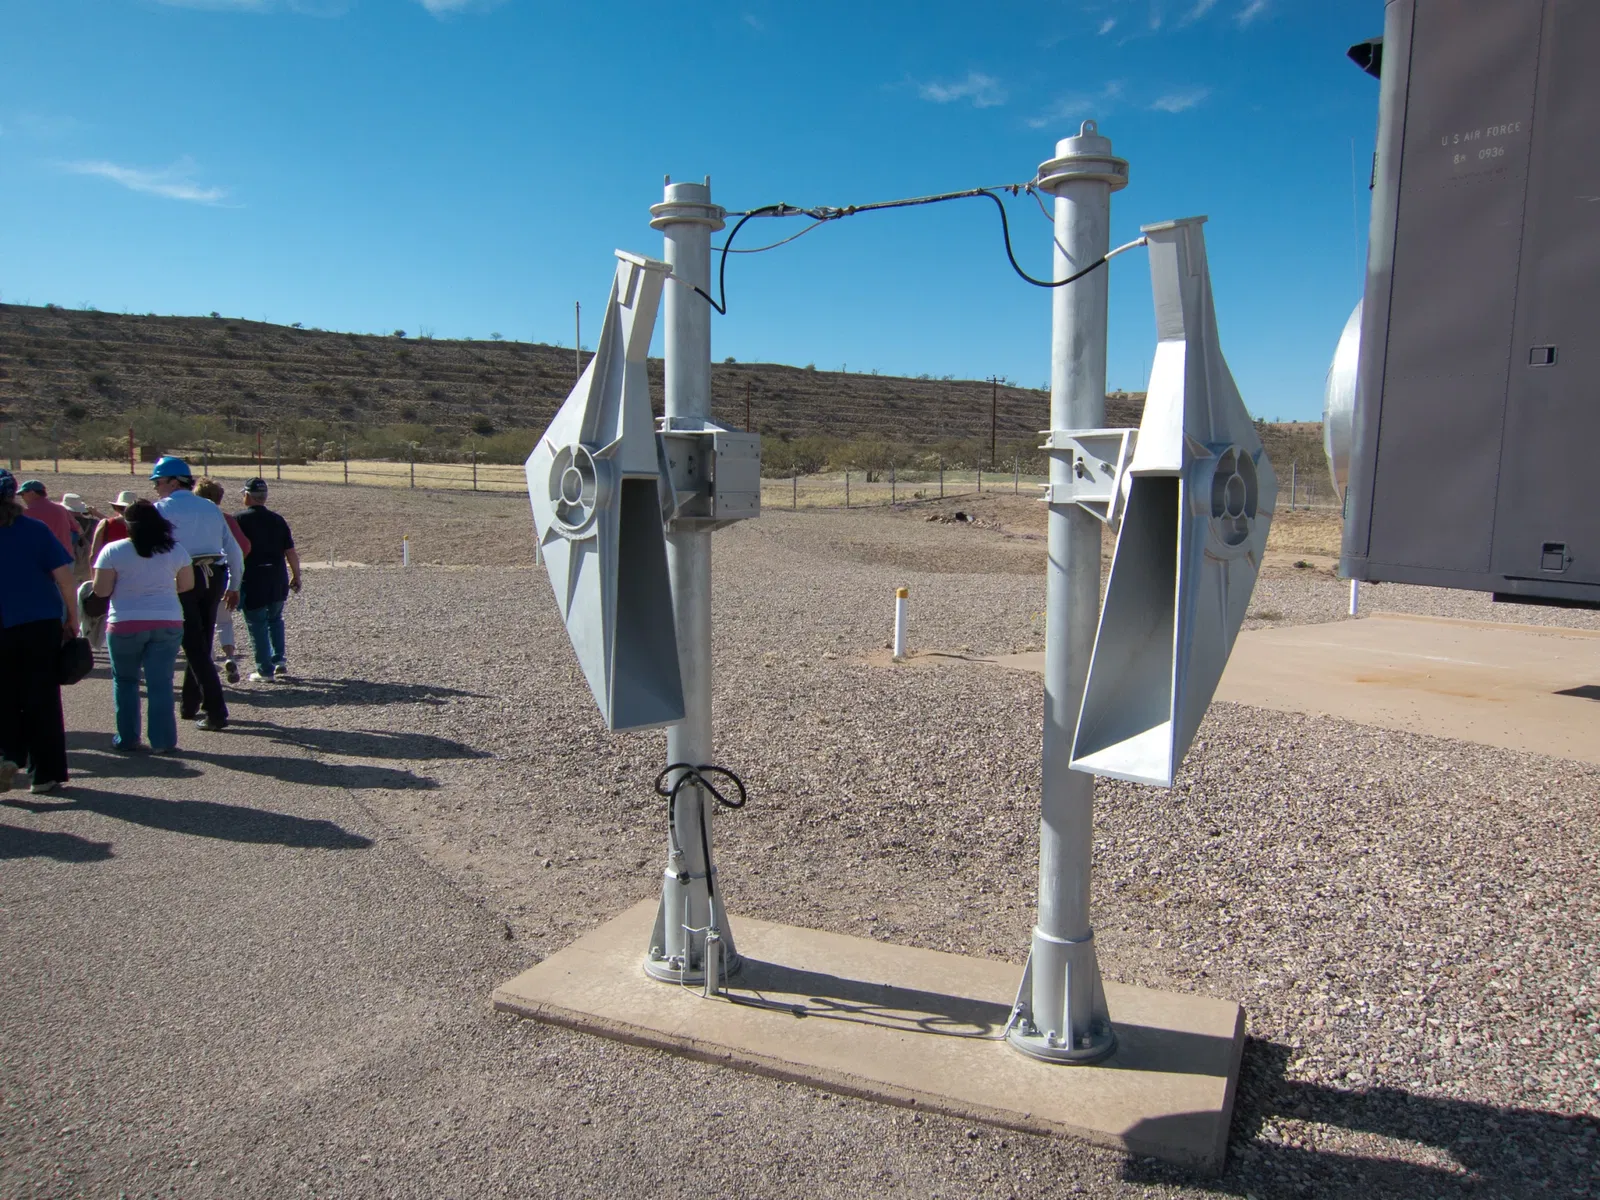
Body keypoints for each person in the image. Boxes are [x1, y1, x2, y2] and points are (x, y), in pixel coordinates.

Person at [91, 500, 194, 753]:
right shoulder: (176, 550)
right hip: (167, 620)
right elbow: (186, 585)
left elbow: (101, 590)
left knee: (126, 681)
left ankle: (127, 738)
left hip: (125, 622)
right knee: (161, 682)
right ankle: (163, 741)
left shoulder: (112, 551)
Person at [0, 468, 79, 794]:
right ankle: (44, 773)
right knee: (42, 696)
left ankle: (6, 755)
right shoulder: (35, 529)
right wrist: (72, 619)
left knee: (3, 695)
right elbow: (64, 578)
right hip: (39, 622)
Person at [150, 456, 242, 732]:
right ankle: (190, 704)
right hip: (215, 574)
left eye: (159, 481)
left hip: (184, 576)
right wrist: (234, 584)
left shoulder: (161, 509)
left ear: (174, 481)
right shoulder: (210, 508)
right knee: (200, 640)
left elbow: (156, 551)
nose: (156, 487)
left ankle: (216, 710)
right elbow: (234, 549)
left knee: (193, 644)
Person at [235, 477, 301, 682]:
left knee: (256, 623)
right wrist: (296, 575)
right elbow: (290, 551)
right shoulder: (277, 520)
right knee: (275, 619)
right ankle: (279, 660)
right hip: (277, 576)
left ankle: (264, 669)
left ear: (247, 495)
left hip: (253, 577)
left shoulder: (239, 520)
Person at [195, 478, 251, 683]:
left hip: (200, 577)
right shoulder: (226, 519)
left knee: (202, 625)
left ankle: (208, 670)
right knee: (224, 622)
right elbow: (244, 546)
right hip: (225, 576)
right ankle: (229, 656)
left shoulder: (194, 521)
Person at [81, 490, 137, 651]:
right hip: (131, 577)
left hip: (107, 574)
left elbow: (94, 555)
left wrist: (94, 580)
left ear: (117, 507)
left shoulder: (106, 524)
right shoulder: (144, 528)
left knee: (107, 613)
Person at [15, 480, 78, 555]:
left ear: (32, 493)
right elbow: (76, 530)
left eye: (22, 494)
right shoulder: (61, 508)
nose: (22, 498)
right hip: (65, 557)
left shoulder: (26, 513)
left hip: (41, 560)